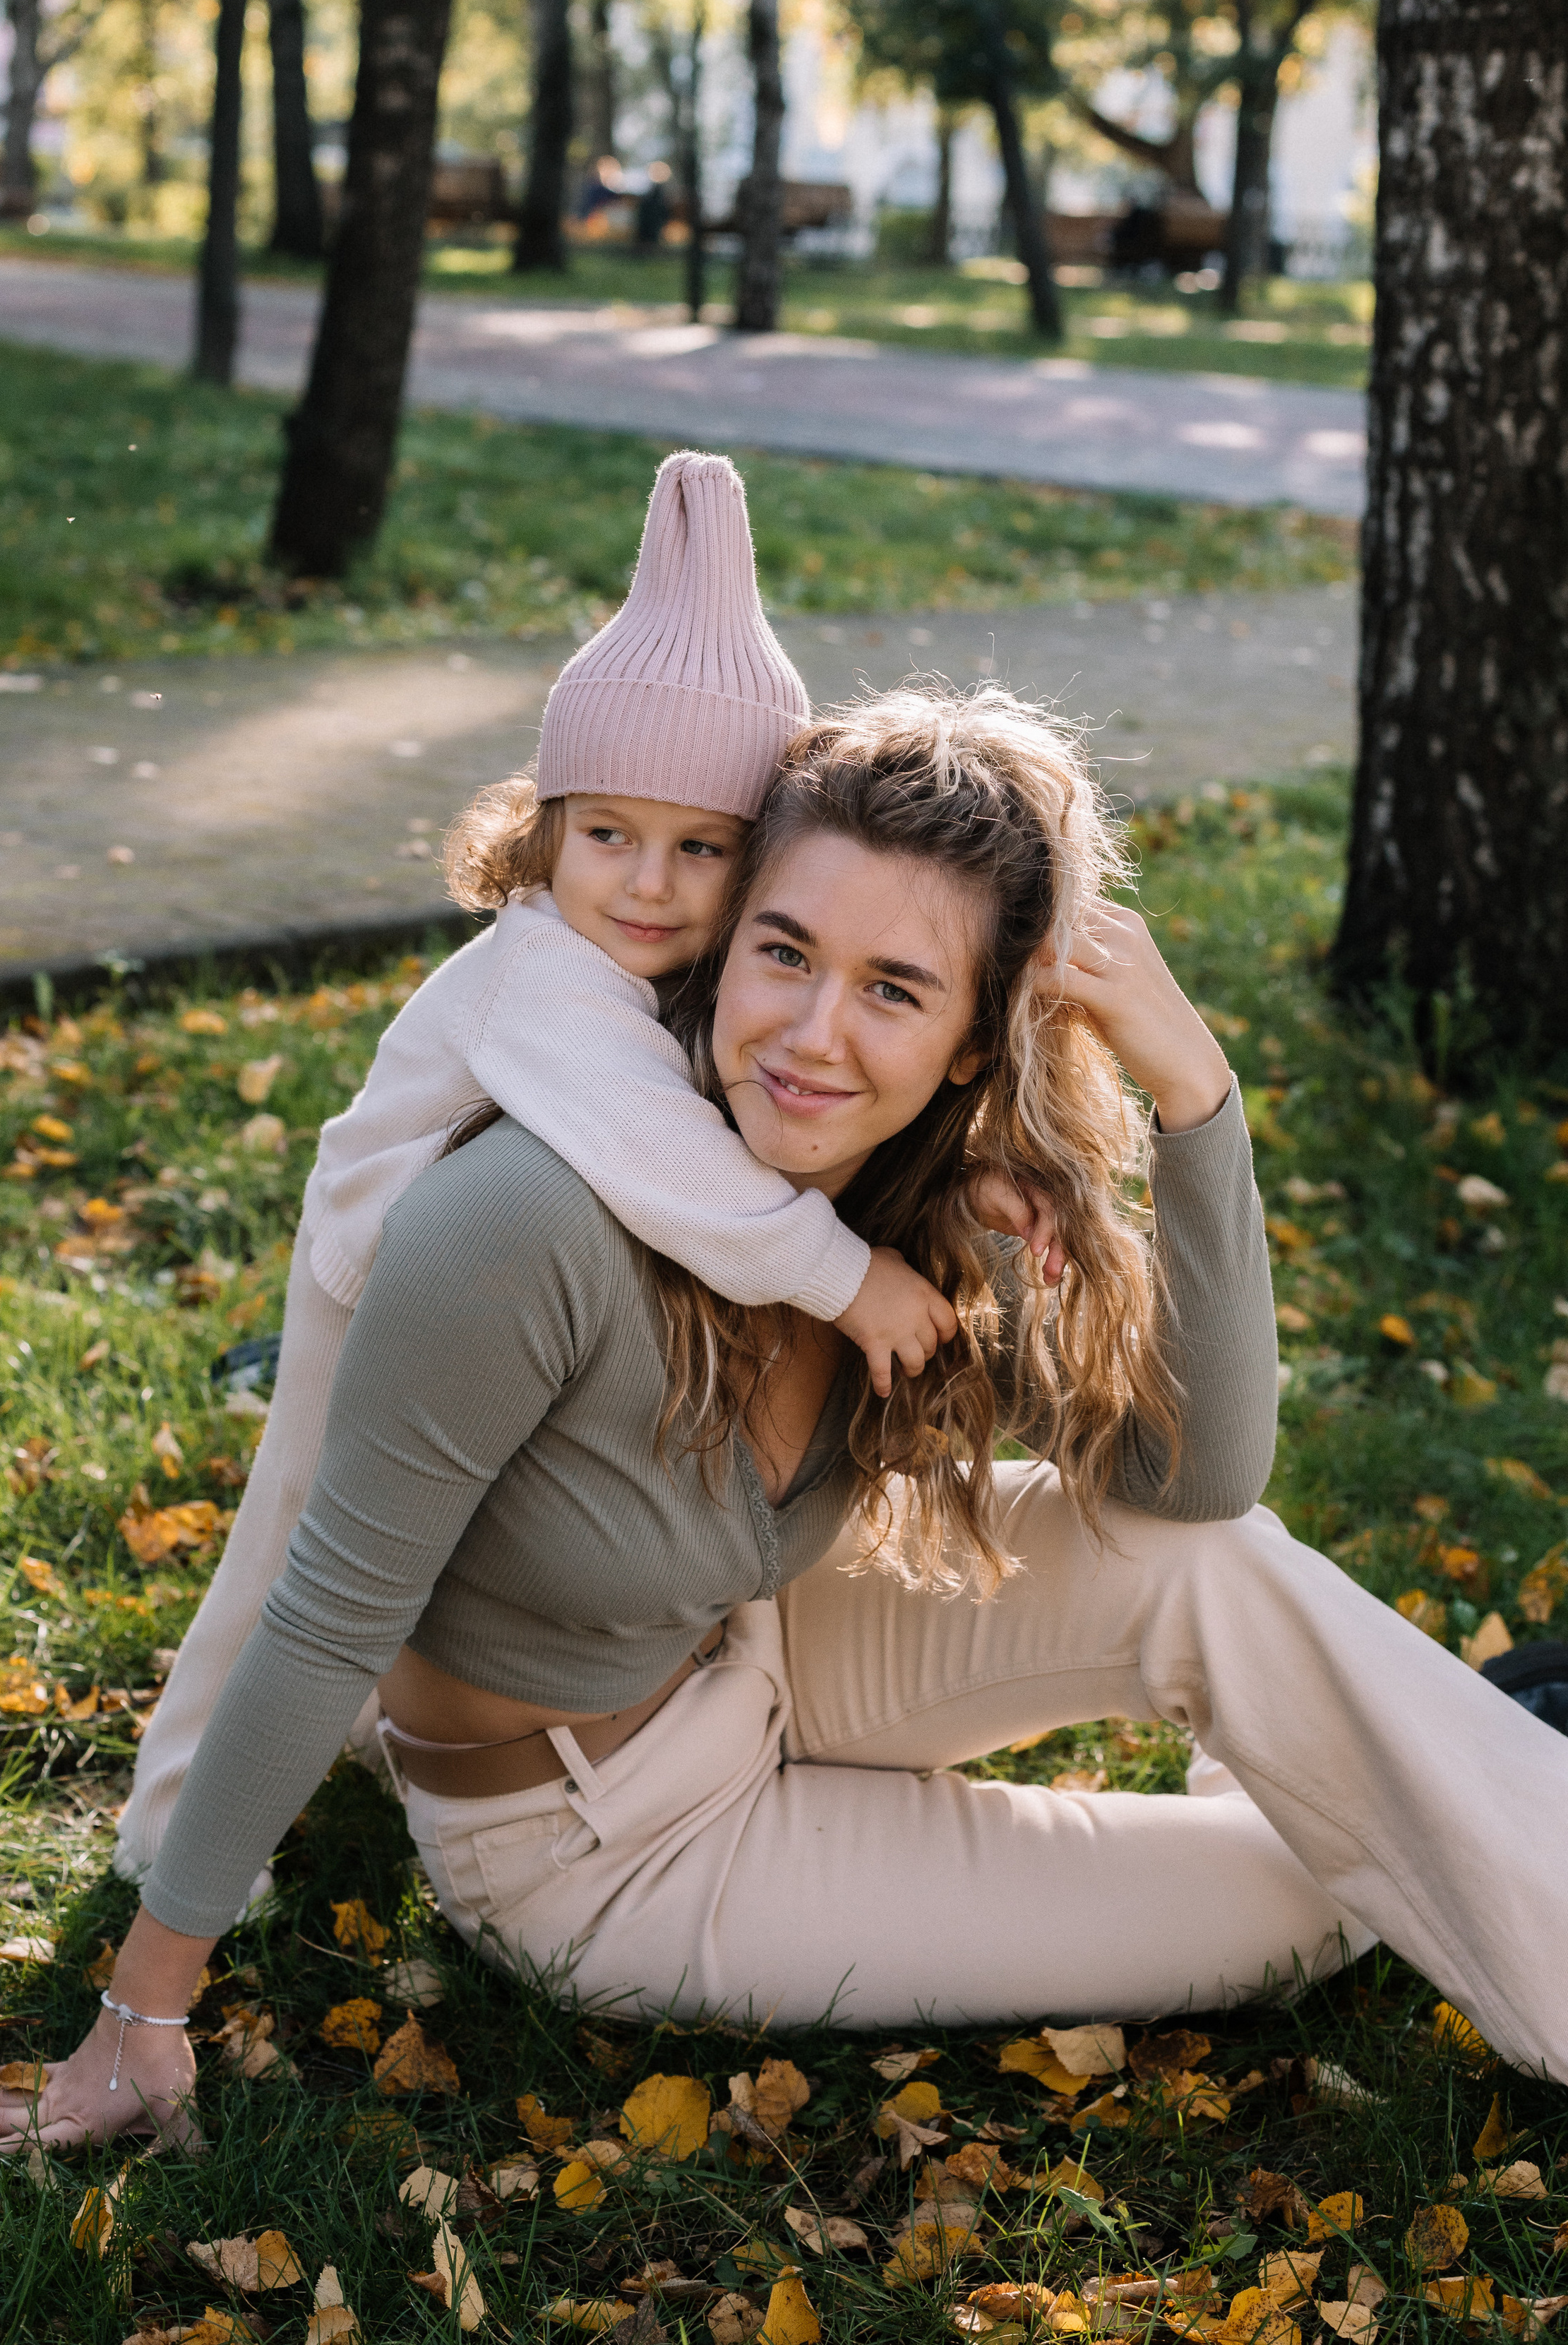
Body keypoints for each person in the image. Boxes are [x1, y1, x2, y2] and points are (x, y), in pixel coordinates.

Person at [0, 689, 1567, 2154]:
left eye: (893, 990)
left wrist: (1195, 1099)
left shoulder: (923, 1198)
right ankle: (1454, 1771)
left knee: (1230, 1580)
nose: (809, 1036)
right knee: (1318, 1899)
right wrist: (140, 2013)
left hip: (758, 1655)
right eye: (781, 952)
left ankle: (1463, 1788)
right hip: (599, 1839)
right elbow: (323, 1615)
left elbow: (1193, 1488)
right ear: (723, 940)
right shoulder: (524, 1223)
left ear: (970, 1039)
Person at [112, 450, 1029, 1888]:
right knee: (297, 1550)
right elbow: (655, 1154)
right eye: (608, 836)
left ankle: (345, 1730)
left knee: (429, 1531)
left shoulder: (641, 956)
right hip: (374, 1275)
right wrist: (843, 1278)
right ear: (547, 829)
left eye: (700, 849)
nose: (649, 887)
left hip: (487, 1284)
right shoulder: (540, 972)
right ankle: (166, 1834)